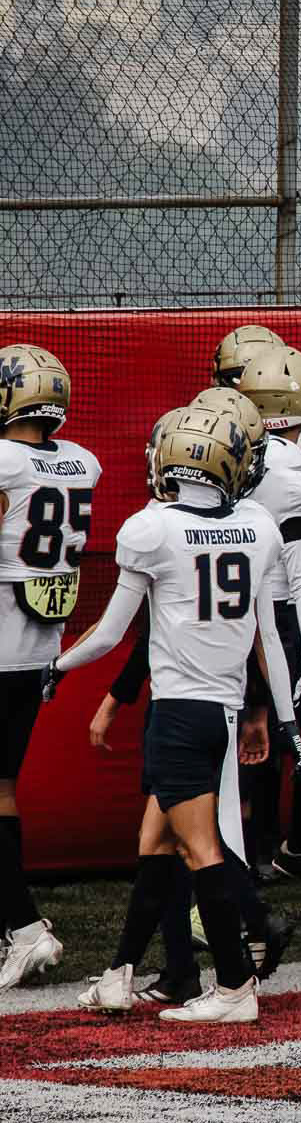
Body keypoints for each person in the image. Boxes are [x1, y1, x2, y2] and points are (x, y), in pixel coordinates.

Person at [50, 404, 300, 1022]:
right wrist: (286, 718)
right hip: (219, 712)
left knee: (199, 850)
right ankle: (119, 975)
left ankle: (236, 987)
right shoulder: (258, 526)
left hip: (180, 714)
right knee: (156, 843)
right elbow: (269, 637)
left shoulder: (152, 528)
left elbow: (112, 633)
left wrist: (55, 666)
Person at [0, 344, 101, 991]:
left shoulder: (5, 462)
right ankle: (11, 923)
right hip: (41, 647)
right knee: (3, 784)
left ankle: (24, 926)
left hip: (2, 638)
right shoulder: (82, 462)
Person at [231, 342, 301, 885]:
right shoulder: (294, 475)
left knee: (256, 739)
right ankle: (280, 849)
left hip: (231, 613)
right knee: (297, 738)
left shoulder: (230, 452)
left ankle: (259, 852)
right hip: (280, 616)